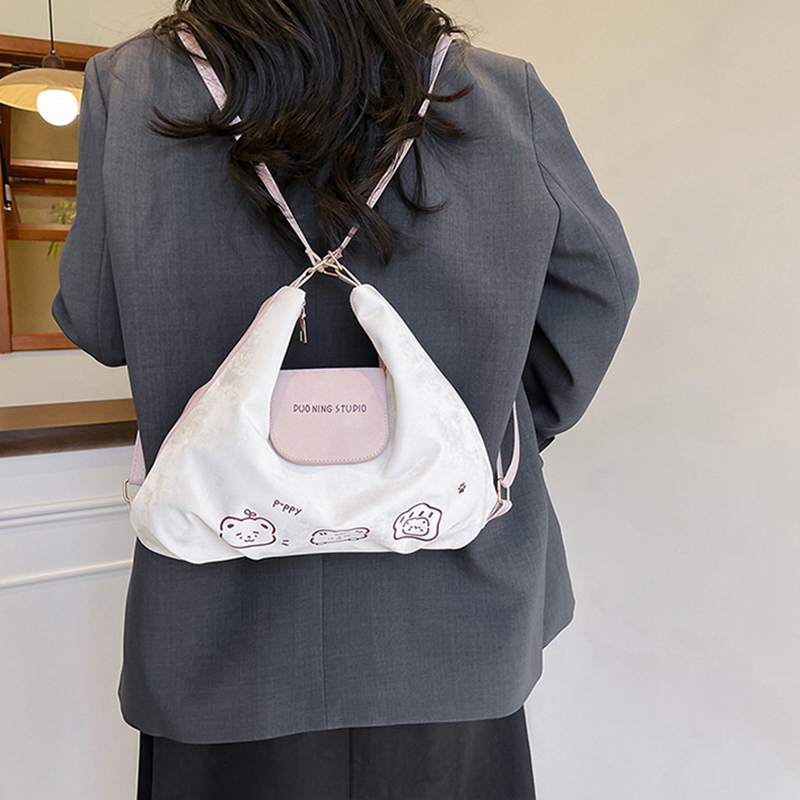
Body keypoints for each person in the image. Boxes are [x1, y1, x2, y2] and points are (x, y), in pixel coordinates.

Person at [53, 1, 639, 797]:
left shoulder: (129, 87)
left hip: (220, 630)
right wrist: (472, 430)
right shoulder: (498, 93)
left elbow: (95, 320)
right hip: (456, 612)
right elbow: (599, 290)